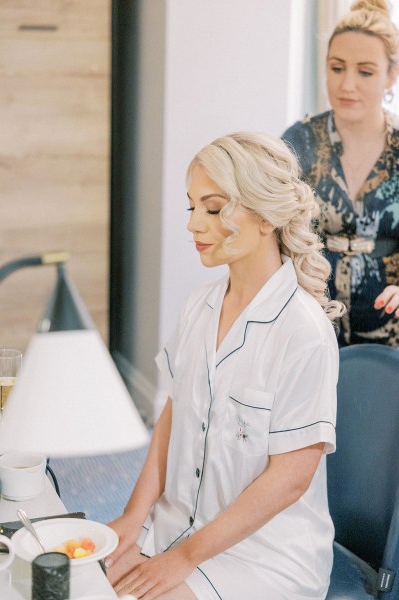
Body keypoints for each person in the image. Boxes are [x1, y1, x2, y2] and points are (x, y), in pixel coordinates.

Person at [104, 132, 344, 600]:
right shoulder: (199, 307)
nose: (194, 224)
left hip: (264, 555)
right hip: (177, 527)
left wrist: (184, 558)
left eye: (212, 209)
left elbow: (290, 479)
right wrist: (134, 519)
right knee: (81, 583)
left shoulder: (303, 331)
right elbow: (172, 415)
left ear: (266, 217)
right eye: (191, 206)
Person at [282, 0, 399, 347]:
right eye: (337, 68)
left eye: (364, 72)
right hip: (309, 323)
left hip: (390, 335)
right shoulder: (297, 143)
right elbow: (270, 232)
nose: (347, 84)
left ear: (391, 74)